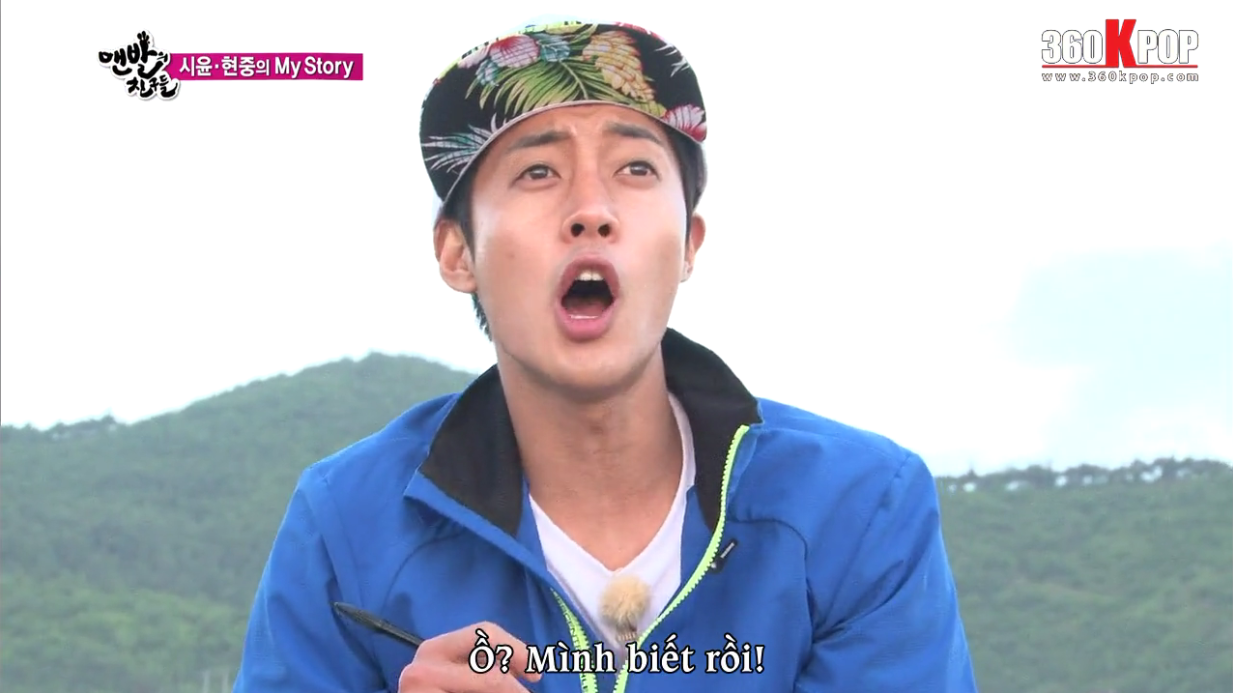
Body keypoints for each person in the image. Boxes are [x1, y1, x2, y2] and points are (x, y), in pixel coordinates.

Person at [232, 17, 978, 693]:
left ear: (687, 244)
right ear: (459, 252)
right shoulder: (345, 526)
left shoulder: (860, 506)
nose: (591, 210)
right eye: (537, 172)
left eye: (635, 169)